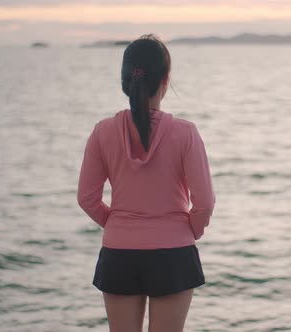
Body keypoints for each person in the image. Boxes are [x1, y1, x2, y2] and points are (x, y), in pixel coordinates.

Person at [77, 34, 215, 332]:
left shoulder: (102, 132)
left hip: (119, 252)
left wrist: (117, 223)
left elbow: (87, 198)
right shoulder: (185, 133)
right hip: (174, 252)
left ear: (125, 82)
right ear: (165, 80)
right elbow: (204, 202)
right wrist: (190, 228)